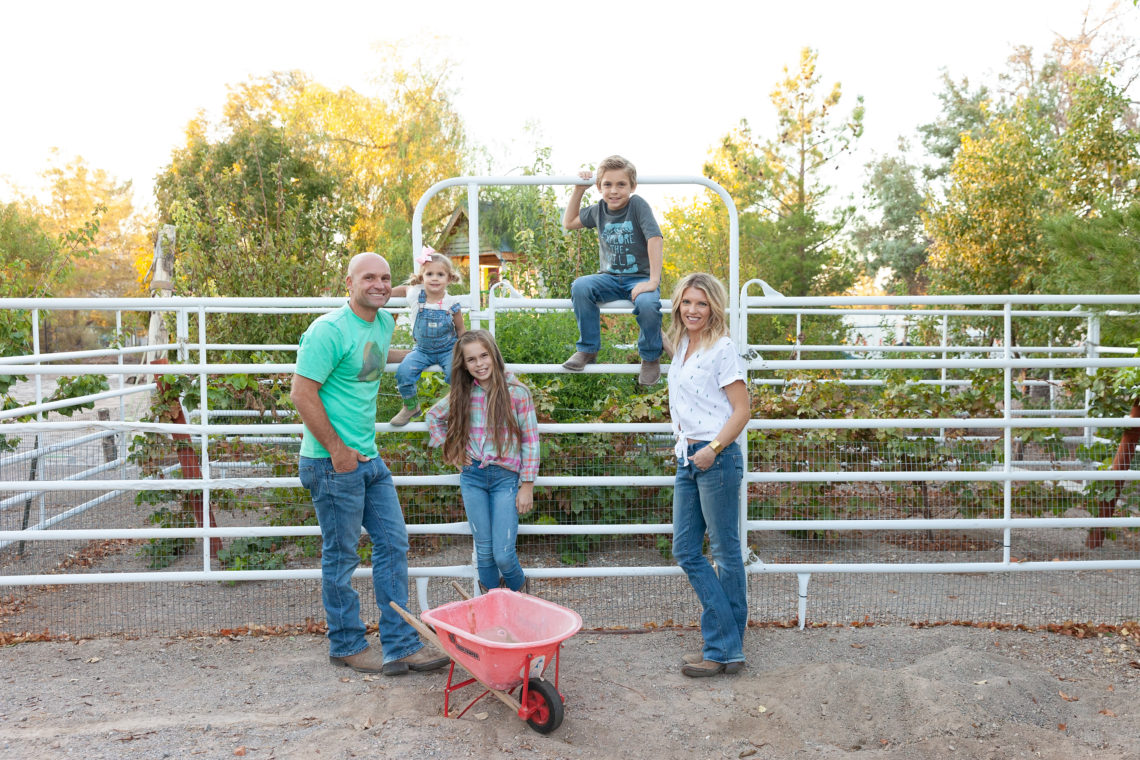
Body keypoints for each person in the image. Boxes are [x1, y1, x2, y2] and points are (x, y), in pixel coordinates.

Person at [291, 252, 448, 676]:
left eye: (385, 278)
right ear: (349, 283)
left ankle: (400, 645)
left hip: (369, 458)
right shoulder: (327, 331)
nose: (379, 284)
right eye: (369, 278)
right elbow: (301, 394)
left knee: (393, 543)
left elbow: (375, 356)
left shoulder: (382, 322)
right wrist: (339, 451)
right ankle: (346, 644)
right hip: (331, 461)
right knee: (341, 556)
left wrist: (431, 355)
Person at [666, 272, 750, 677]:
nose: (693, 310)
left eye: (700, 303)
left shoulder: (722, 348)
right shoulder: (682, 343)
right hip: (687, 457)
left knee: (725, 554)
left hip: (715, 457)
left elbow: (742, 411)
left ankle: (721, 649)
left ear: (713, 306)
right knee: (685, 549)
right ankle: (729, 647)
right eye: (686, 302)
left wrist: (712, 450)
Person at [426, 330, 538, 593]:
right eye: (472, 359)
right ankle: (492, 615)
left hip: (505, 479)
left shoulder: (517, 393)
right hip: (472, 477)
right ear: (463, 364)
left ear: (494, 355)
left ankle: (523, 607)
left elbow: (530, 441)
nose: (480, 364)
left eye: (484, 356)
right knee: (485, 554)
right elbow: (433, 417)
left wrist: (527, 485)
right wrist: (451, 449)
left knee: (503, 555)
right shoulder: (463, 392)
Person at [562, 155, 665, 386]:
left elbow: (655, 238)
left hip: (639, 279)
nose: (614, 191)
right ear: (599, 187)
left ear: (632, 186)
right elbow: (569, 223)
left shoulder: (637, 205)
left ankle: (650, 357)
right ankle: (588, 349)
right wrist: (579, 189)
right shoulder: (599, 210)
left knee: (648, 305)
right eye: (607, 184)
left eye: (621, 184)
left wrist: (653, 281)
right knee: (580, 286)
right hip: (608, 278)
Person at [388, 247, 466, 426]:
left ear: (449, 278)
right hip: (421, 351)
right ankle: (411, 406)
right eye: (429, 274)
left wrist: (464, 349)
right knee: (403, 373)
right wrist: (386, 293)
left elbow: (461, 329)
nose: (435, 278)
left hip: (448, 349)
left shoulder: (451, 303)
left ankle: (453, 406)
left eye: (440, 274)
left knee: (458, 373)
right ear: (422, 278)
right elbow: (404, 289)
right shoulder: (416, 294)